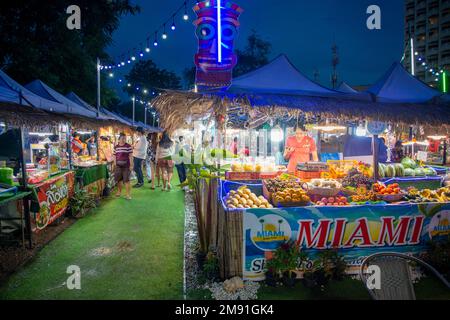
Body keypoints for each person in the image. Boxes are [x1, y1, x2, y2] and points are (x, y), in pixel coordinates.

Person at [113, 132, 133, 200]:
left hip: (126, 166)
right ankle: (119, 192)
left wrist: (131, 165)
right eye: (122, 138)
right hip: (118, 166)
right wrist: (115, 164)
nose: (124, 140)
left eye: (125, 138)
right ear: (119, 139)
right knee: (119, 180)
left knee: (127, 180)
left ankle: (128, 194)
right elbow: (114, 156)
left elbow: (130, 156)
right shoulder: (116, 147)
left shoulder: (128, 146)